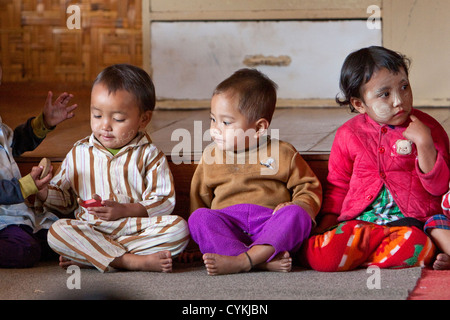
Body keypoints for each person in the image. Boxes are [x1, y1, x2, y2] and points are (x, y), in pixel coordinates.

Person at [300, 46, 450, 272]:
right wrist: (325, 227)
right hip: (360, 223)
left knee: (415, 243)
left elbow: (439, 188)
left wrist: (425, 144)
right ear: (359, 104)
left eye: (404, 87)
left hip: (409, 223)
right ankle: (375, 252)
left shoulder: (428, 129)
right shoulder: (348, 135)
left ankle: (362, 254)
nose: (399, 100)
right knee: (322, 255)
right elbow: (339, 186)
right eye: (385, 94)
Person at [42, 64, 189, 273]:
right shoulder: (79, 153)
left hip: (134, 228)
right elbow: (64, 200)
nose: (105, 126)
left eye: (118, 119)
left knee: (178, 229)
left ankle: (93, 256)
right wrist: (44, 191)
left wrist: (124, 210)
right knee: (56, 232)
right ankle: (129, 261)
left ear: (143, 119)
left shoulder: (149, 154)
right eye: (97, 115)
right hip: (93, 228)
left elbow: (164, 200)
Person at [188, 68, 322, 275]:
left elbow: (308, 187)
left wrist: (298, 204)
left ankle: (243, 260)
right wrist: (194, 243)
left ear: (259, 128)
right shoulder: (210, 156)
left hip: (269, 226)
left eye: (226, 122)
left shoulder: (283, 152)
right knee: (199, 217)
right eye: (212, 119)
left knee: (297, 214)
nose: (215, 128)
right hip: (229, 227)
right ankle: (259, 261)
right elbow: (199, 198)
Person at [0, 64, 77, 268]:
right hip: (3, 221)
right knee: (23, 250)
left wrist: (45, 122)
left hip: (18, 215)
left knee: (65, 239)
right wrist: (25, 186)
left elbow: (14, 143)